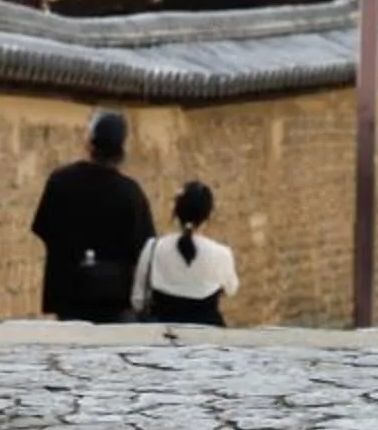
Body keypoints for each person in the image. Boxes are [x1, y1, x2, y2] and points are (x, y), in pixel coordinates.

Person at [30, 110, 155, 322]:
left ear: (90, 143)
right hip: (114, 298)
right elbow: (144, 248)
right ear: (121, 149)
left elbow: (43, 228)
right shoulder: (131, 193)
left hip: (69, 291)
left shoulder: (61, 182)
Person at [133, 180, 239, 326]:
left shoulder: (153, 248)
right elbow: (231, 289)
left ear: (176, 212)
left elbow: (138, 300)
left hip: (162, 335)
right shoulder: (222, 254)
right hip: (208, 336)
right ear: (208, 214)